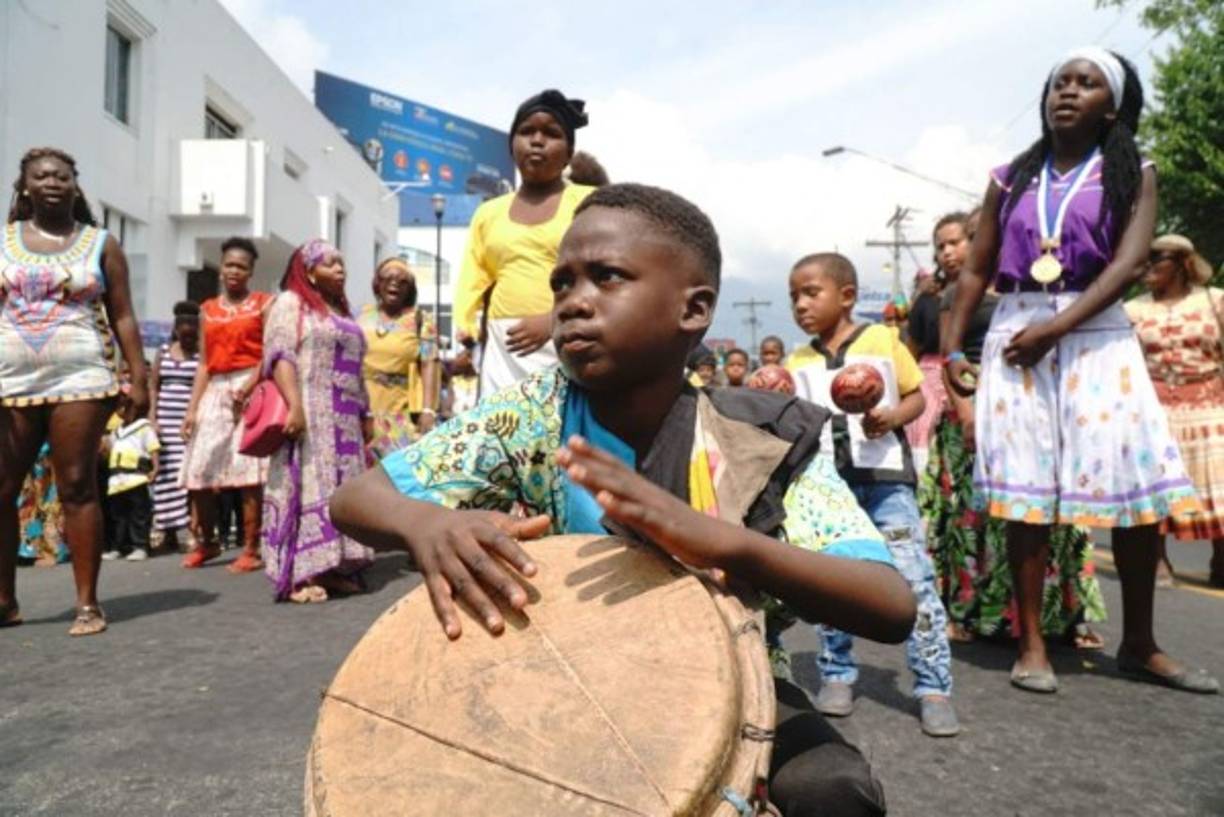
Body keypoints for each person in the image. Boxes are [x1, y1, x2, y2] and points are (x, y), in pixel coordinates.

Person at [331, 183, 917, 817]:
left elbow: (889, 605)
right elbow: (358, 499)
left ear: (693, 310)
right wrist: (427, 523)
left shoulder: (765, 438)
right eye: (561, 284)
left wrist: (725, 542)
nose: (572, 304)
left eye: (606, 277)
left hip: (739, 684)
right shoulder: (535, 412)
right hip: (559, 681)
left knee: (833, 791)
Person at [942, 47, 1217, 694]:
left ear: (1111, 106)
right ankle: (1032, 642)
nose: (1067, 91)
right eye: (1059, 81)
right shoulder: (1010, 177)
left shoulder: (1132, 172)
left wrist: (1057, 329)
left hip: (1095, 332)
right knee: (1025, 492)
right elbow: (977, 267)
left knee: (1135, 487)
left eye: (1086, 83)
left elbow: (1125, 266)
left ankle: (1141, 642)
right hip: (1016, 334)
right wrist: (953, 350)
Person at [785, 252, 959, 738]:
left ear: (847, 296)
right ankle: (837, 674)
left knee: (916, 584)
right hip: (830, 492)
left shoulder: (882, 340)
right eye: (793, 296)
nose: (800, 304)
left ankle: (933, 686)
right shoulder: (799, 361)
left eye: (810, 292)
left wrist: (892, 418)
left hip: (886, 486)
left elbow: (916, 394)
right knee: (833, 584)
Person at [920, 212, 1107, 645]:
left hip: (1037, 402)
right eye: (944, 244)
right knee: (973, 517)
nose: (950, 252)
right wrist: (967, 414)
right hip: (976, 402)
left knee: (1054, 514)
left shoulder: (1037, 286)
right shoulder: (958, 293)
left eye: (958, 242)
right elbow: (951, 359)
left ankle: (1062, 616)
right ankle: (967, 612)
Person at [0, 147, 148, 635]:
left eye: (62, 176)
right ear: (24, 186)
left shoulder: (100, 244)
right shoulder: (2, 242)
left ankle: (87, 604)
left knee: (77, 484)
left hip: (81, 376)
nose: (51, 183)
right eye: (41, 176)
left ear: (75, 185)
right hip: (11, 379)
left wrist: (138, 376)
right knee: (3, 489)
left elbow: (123, 313)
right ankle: (5, 601)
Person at [455, 90, 594, 396]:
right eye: (526, 131)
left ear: (569, 152)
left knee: (564, 439)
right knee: (501, 436)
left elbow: (604, 275)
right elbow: (473, 277)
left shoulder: (589, 204)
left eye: (551, 133)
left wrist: (554, 320)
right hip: (505, 348)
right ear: (511, 146)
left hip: (571, 337)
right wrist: (464, 326)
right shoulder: (487, 213)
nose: (537, 140)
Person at [262, 240, 374, 604]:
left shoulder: (342, 312)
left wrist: (365, 412)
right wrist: (294, 405)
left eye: (342, 262)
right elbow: (280, 356)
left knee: (342, 490)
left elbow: (358, 370)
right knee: (309, 484)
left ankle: (334, 566)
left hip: (344, 419)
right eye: (329, 263)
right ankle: (300, 574)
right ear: (309, 272)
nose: (340, 269)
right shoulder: (290, 303)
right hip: (310, 414)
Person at [1126, 235, 1224, 588]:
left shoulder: (1215, 302)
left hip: (1210, 407)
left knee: (1219, 488)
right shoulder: (1134, 310)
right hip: (1156, 410)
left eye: (1158, 260)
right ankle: (1157, 560)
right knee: (1159, 485)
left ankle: (1221, 558)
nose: (1148, 268)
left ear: (1183, 263)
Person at [180, 237, 271, 571]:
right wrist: (192, 410)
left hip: (253, 388)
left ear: (250, 272)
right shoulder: (207, 310)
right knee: (200, 468)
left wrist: (249, 385)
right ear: (221, 267)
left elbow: (270, 352)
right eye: (230, 264)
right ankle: (208, 542)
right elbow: (204, 363)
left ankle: (252, 547)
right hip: (216, 389)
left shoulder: (263, 304)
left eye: (242, 266)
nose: (234, 271)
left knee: (250, 473)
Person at [358, 257, 440, 457]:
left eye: (403, 281)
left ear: (410, 289)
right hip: (360, 412)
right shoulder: (359, 315)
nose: (395, 283)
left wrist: (428, 411)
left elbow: (430, 364)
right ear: (378, 284)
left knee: (395, 479)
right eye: (388, 278)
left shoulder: (422, 321)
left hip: (399, 415)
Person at [150, 301, 200, 552]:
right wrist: (152, 418)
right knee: (165, 477)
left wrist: (194, 417)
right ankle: (168, 532)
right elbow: (154, 386)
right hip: (164, 420)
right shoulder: (164, 351)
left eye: (193, 326)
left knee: (187, 477)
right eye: (184, 327)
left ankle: (192, 531)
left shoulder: (201, 355)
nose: (188, 331)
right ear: (177, 328)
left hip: (188, 422)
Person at [100, 385, 160, 562]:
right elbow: (108, 450)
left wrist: (156, 468)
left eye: (125, 407)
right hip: (116, 481)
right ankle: (119, 546)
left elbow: (153, 448)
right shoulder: (116, 432)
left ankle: (140, 545)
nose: (121, 412)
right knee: (118, 516)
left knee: (138, 514)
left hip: (136, 478)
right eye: (119, 408)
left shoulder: (143, 427)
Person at [16, 442, 67, 566]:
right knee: (29, 515)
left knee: (46, 513)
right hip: (29, 478)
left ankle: (54, 552)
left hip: (43, 481)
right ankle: (29, 552)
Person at [440, 338, 479, 420]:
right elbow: (445, 411)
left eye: (459, 355)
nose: (455, 359)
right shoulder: (454, 381)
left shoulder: (481, 381)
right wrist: (458, 418)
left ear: (470, 360)